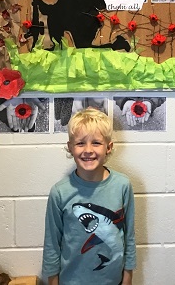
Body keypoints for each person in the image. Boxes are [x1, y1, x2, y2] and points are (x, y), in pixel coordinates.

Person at [42, 108, 136, 285]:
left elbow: (129, 236)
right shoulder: (59, 192)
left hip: (113, 281)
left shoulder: (122, 185)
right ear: (70, 147)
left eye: (96, 143)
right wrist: (53, 281)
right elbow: (52, 244)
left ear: (108, 147)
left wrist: (128, 275)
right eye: (80, 143)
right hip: (71, 280)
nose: (88, 150)